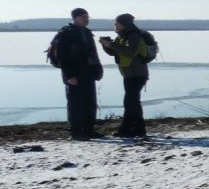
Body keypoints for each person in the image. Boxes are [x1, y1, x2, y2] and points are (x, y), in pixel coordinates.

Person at [97, 13, 149, 139]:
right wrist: (106, 45)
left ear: (124, 24)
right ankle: (139, 130)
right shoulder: (123, 36)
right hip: (129, 74)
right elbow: (115, 53)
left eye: (117, 23)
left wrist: (111, 45)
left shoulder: (134, 35)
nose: (115, 25)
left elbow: (130, 52)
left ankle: (126, 130)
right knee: (133, 102)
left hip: (137, 74)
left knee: (130, 102)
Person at [57, 8, 104, 141]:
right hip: (74, 75)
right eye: (84, 16)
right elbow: (63, 57)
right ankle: (76, 132)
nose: (87, 19)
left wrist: (98, 70)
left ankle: (89, 130)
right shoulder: (67, 33)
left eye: (88, 16)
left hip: (88, 73)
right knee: (75, 104)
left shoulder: (87, 33)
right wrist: (69, 76)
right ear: (76, 18)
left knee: (90, 102)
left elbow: (93, 53)